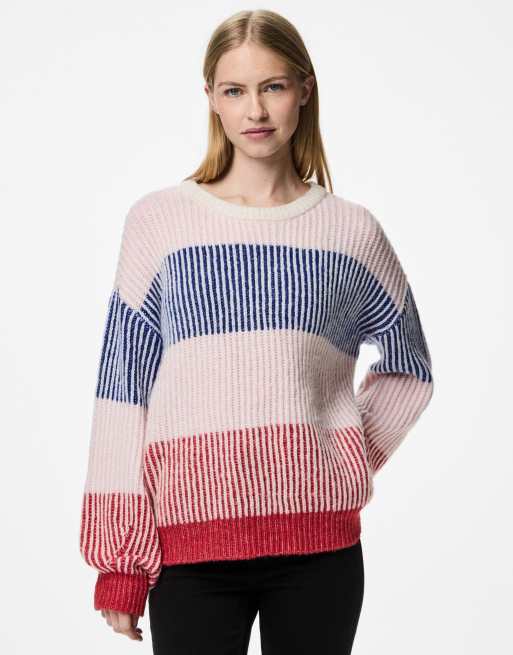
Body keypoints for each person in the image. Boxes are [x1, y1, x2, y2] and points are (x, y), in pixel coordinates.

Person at [79, 8, 434, 654]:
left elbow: (409, 368)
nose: (256, 110)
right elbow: (122, 392)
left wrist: (345, 454)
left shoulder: (350, 233)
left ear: (304, 89)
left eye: (272, 86)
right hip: (189, 553)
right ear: (211, 98)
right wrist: (120, 561)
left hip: (319, 555)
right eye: (235, 90)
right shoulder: (160, 224)